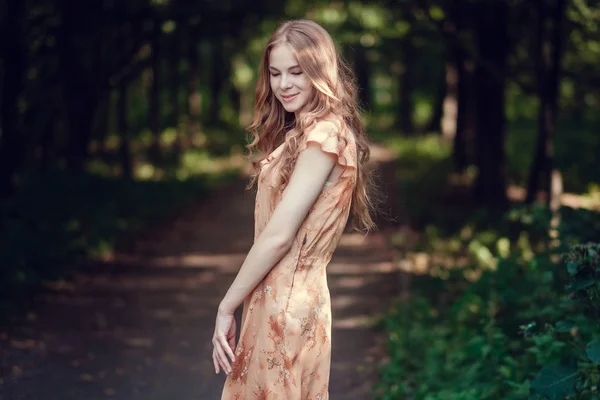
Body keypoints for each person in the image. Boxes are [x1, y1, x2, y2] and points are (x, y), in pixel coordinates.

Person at [212, 19, 377, 399]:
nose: (284, 84)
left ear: (320, 73)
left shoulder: (323, 136)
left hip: (285, 305)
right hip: (290, 301)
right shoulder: (309, 133)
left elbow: (279, 235)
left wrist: (227, 304)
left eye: (296, 72)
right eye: (275, 73)